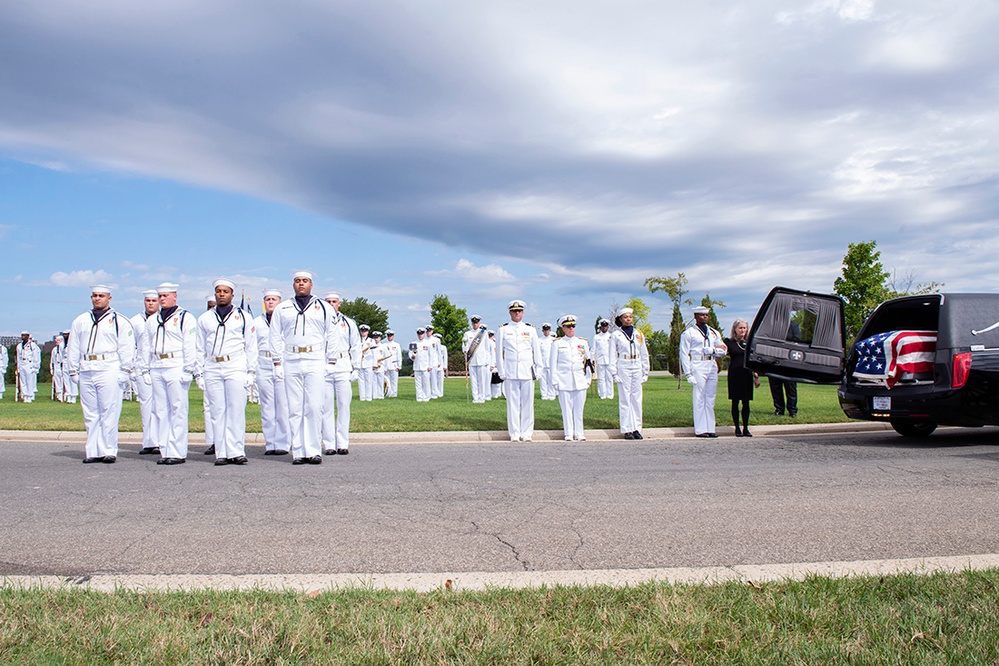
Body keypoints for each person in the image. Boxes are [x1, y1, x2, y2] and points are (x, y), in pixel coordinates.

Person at [269, 271, 342, 465]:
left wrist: (332, 361)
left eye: (305, 281)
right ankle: (299, 451)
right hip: (291, 358)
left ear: (311, 284)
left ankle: (313, 449)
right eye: (297, 281)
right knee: (294, 407)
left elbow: (333, 334)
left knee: (314, 406)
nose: (301, 284)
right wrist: (277, 362)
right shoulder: (283, 308)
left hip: (314, 358)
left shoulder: (324, 308)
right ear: (293, 285)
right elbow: (275, 335)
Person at [65, 285, 136, 463]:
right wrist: (72, 369)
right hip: (87, 367)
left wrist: (125, 370)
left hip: (109, 366)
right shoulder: (81, 320)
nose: (97, 298)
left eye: (101, 295)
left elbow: (127, 347)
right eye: (95, 295)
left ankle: (109, 449)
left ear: (109, 298)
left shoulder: (119, 321)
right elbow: (73, 346)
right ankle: (93, 451)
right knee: (90, 412)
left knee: (109, 410)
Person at [196, 278, 257, 466]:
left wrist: (251, 371)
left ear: (232, 295)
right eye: (218, 291)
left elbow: (251, 345)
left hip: (235, 364)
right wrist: (199, 372)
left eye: (225, 291)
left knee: (236, 409)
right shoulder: (205, 318)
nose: (221, 294)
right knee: (217, 410)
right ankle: (221, 452)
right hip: (213, 365)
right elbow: (199, 347)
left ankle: (237, 450)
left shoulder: (244, 317)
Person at [138, 282, 198, 465]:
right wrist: (145, 368)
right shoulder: (152, 320)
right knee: (161, 410)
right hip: (157, 364)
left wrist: (189, 368)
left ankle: (177, 451)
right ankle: (164, 449)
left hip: (176, 364)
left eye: (165, 296)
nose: (162, 299)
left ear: (175, 296)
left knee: (177, 408)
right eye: (160, 296)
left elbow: (190, 344)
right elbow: (145, 346)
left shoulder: (185, 317)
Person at [495, 299, 542, 441]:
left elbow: (536, 351)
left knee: (528, 404)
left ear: (523, 312)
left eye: (519, 311)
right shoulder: (503, 329)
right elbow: (499, 353)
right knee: (512, 404)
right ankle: (514, 433)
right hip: (510, 372)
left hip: (527, 372)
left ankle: (527, 433)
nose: (517, 313)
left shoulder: (530, 329)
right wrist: (501, 371)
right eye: (514, 311)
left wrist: (538, 368)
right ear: (510, 312)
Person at [321, 291, 360, 456]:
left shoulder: (349, 323)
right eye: (328, 301)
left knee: (344, 405)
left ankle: (343, 442)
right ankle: (329, 443)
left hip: (343, 364)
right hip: (324, 366)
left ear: (339, 303)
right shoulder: (319, 321)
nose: (331, 304)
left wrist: (356, 367)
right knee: (326, 407)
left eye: (334, 301)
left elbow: (356, 345)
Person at [680, 305, 728, 438]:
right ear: (695, 316)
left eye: (706, 315)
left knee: (710, 397)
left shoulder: (713, 332)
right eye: (701, 315)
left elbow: (723, 348)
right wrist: (688, 373)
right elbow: (684, 354)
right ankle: (701, 429)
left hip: (711, 363)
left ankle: (710, 427)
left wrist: (714, 351)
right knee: (700, 397)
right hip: (698, 363)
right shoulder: (689, 333)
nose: (705, 317)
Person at [254, 288, 290, 456]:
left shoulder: (286, 320)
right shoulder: (256, 322)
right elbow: (251, 346)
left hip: (281, 363)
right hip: (263, 363)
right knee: (267, 406)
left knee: (282, 405)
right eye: (267, 299)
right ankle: (270, 442)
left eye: (273, 299)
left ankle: (283, 442)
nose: (270, 302)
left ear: (279, 302)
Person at [607, 307, 650, 440]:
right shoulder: (616, 335)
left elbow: (644, 352)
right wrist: (614, 372)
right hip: (624, 364)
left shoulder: (638, 334)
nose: (628, 319)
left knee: (636, 398)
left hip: (636, 363)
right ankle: (627, 429)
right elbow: (612, 354)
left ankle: (636, 427)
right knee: (625, 398)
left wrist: (645, 370)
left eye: (630, 317)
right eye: (625, 317)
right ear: (620, 319)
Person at [549, 315, 592, 441]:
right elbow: (553, 364)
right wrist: (554, 380)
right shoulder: (557, 343)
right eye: (568, 326)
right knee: (566, 409)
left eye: (573, 326)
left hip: (579, 379)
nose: (571, 328)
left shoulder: (582, 343)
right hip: (564, 379)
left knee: (579, 409)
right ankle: (568, 433)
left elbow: (588, 363)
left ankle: (579, 432)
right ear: (563, 328)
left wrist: (588, 379)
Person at [130, 290, 160, 454]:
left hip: (158, 365)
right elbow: (130, 345)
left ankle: (162, 440)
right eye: (148, 300)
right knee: (146, 405)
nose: (150, 303)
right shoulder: (135, 321)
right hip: (141, 367)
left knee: (162, 406)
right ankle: (149, 441)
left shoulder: (163, 320)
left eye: (154, 300)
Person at [725, 319, 759, 437]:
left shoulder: (750, 342)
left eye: (744, 328)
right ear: (735, 329)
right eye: (740, 328)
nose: (742, 330)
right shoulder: (729, 342)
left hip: (746, 374)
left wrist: (756, 376)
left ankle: (746, 427)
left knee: (746, 402)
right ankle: (737, 428)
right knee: (735, 402)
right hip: (735, 374)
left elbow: (753, 360)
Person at [768, 320, 800, 417]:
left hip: (788, 361)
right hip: (774, 360)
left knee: (791, 387)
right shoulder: (772, 326)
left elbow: (797, 341)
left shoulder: (793, 325)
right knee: (775, 386)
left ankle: (792, 410)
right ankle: (779, 409)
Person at [201, 295, 218, 456]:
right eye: (209, 306)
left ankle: (225, 443)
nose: (213, 308)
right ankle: (213, 441)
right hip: (209, 366)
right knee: (209, 407)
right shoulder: (205, 320)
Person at [462, 315, 491, 403]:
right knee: (473, 380)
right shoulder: (467, 334)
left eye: (477, 322)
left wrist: (487, 360)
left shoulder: (484, 333)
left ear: (479, 323)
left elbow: (487, 348)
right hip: (471, 360)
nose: (475, 324)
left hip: (481, 360)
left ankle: (481, 398)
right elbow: (464, 347)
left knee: (481, 380)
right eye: (474, 323)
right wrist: (465, 349)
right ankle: (475, 397)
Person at [592, 319, 614, 400]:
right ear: (600, 327)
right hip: (600, 360)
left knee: (609, 378)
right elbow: (593, 349)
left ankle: (610, 394)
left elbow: (614, 349)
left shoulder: (611, 336)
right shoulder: (597, 337)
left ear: (607, 327)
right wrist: (592, 360)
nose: (604, 328)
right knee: (601, 378)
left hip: (609, 360)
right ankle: (602, 394)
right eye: (603, 326)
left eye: (606, 326)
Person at [16, 332, 41, 402]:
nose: (23, 337)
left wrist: (35, 366)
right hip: (22, 363)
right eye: (22, 335)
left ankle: (30, 396)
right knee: (23, 381)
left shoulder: (32, 345)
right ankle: (25, 395)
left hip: (28, 363)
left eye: (24, 335)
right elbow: (18, 357)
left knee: (29, 381)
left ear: (28, 336)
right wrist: (18, 367)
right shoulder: (19, 346)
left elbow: (35, 356)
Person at [409, 327, 433, 402]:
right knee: (418, 383)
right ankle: (419, 397)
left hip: (425, 366)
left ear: (424, 334)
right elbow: (410, 353)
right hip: (417, 365)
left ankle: (426, 397)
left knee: (426, 382)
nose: (420, 335)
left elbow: (431, 355)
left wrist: (430, 365)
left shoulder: (428, 343)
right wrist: (412, 356)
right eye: (419, 334)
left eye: (422, 334)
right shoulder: (413, 343)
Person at [537, 323, 557, 400]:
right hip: (542, 363)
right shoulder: (539, 340)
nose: (546, 332)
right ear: (542, 331)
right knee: (543, 381)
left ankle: (551, 395)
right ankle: (544, 395)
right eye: (545, 330)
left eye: (547, 330)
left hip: (551, 363)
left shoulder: (553, 340)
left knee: (551, 380)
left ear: (550, 330)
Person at [357, 324, 376, 401]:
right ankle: (362, 397)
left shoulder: (371, 341)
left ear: (368, 332)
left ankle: (368, 397)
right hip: (360, 363)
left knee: (368, 380)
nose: (363, 332)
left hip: (368, 362)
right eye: (362, 331)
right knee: (360, 381)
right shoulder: (357, 340)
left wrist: (374, 364)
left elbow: (374, 353)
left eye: (365, 331)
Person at [382, 330, 402, 397]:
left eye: (391, 336)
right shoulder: (384, 345)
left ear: (393, 336)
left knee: (394, 381)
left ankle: (394, 394)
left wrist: (399, 365)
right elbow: (383, 356)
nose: (389, 337)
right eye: (388, 336)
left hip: (394, 365)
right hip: (386, 365)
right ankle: (388, 393)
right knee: (388, 381)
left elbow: (399, 356)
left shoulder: (396, 345)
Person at [425, 324, 444, 399]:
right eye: (427, 331)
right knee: (427, 379)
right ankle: (427, 393)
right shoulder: (425, 340)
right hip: (426, 362)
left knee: (434, 379)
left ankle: (435, 393)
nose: (428, 332)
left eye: (429, 331)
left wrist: (440, 362)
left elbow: (439, 352)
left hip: (434, 361)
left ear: (432, 331)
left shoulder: (436, 340)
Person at [62, 330, 78, 404]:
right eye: (64, 335)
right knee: (66, 380)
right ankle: (68, 395)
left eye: (66, 335)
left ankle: (73, 396)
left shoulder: (74, 343)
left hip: (71, 363)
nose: (65, 336)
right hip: (65, 362)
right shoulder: (62, 344)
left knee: (73, 380)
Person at [371, 331, 387, 399]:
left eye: (377, 337)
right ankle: (374, 396)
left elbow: (386, 357)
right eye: (374, 337)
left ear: (380, 338)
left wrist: (385, 368)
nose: (376, 339)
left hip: (381, 365)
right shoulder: (371, 346)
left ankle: (380, 395)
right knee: (373, 382)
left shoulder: (383, 346)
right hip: (373, 366)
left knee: (380, 382)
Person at [50, 335, 66, 401]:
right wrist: (51, 368)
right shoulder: (54, 349)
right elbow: (52, 360)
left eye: (58, 340)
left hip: (63, 366)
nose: (56, 341)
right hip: (57, 366)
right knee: (57, 382)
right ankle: (59, 396)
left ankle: (65, 395)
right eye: (56, 340)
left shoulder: (65, 348)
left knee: (64, 381)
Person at [488, 330, 503, 400]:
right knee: (490, 381)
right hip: (489, 363)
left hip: (495, 363)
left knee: (497, 380)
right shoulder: (489, 342)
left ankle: (497, 394)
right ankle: (491, 394)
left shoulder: (495, 342)